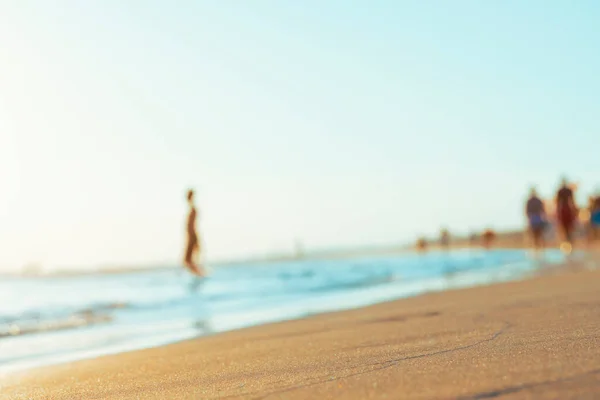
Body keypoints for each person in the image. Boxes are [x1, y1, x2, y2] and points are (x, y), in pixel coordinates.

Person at [184, 189, 206, 276]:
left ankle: (199, 274)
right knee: (189, 259)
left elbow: (192, 226)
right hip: (191, 236)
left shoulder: (193, 210)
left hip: (192, 236)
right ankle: (199, 274)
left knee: (187, 259)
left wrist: (193, 238)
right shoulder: (192, 209)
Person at [555, 178, 577, 244]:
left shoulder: (564, 190)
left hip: (565, 209)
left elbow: (572, 200)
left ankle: (568, 241)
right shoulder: (564, 191)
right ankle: (567, 242)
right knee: (566, 227)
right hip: (565, 209)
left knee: (567, 227)